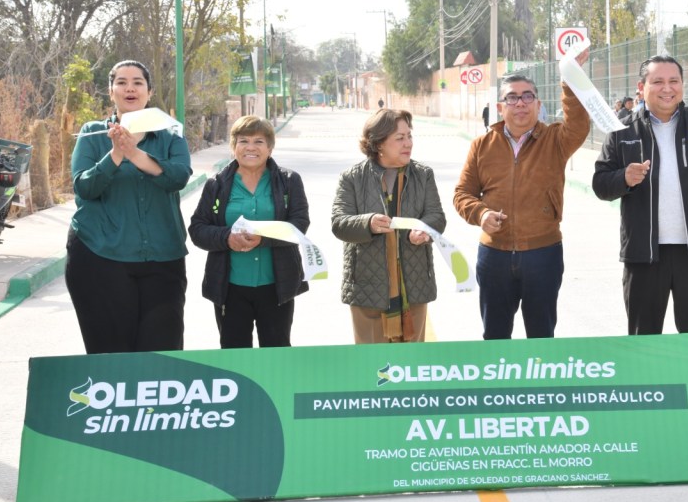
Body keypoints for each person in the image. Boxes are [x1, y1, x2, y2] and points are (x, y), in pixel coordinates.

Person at [592, 55, 688, 335]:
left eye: (674, 81)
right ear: (641, 87)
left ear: (682, 85)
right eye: (658, 81)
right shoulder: (622, 130)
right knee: (644, 340)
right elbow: (601, 184)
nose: (667, 88)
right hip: (644, 254)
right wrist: (624, 178)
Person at [454, 50, 591, 339]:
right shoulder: (482, 145)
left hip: (543, 254)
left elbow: (579, 125)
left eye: (528, 97)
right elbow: (463, 193)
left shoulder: (555, 140)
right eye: (512, 98)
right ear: (500, 107)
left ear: (538, 105)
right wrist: (481, 214)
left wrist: (569, 79)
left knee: (541, 337)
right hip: (494, 256)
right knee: (495, 337)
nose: (520, 103)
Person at [66, 60, 192, 354]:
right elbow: (85, 187)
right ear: (111, 91)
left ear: (149, 91)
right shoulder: (92, 133)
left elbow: (178, 177)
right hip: (99, 255)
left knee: (162, 351)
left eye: (138, 82)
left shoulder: (172, 134)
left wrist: (134, 153)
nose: (130, 88)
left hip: (162, 256)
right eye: (121, 82)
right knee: (109, 353)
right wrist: (116, 153)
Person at [188, 116, 310, 348]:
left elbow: (299, 224)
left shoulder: (289, 181)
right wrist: (227, 238)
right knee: (234, 354)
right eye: (243, 141)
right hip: (230, 287)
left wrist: (263, 239)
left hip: (277, 287)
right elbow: (198, 229)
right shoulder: (216, 184)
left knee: (276, 353)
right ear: (233, 146)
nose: (251, 147)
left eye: (259, 141)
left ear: (270, 148)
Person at [332, 109, 446, 343]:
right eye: (400, 138)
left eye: (409, 136)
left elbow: (436, 216)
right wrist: (368, 223)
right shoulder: (352, 178)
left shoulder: (423, 175)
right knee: (371, 361)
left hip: (414, 285)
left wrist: (425, 231)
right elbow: (339, 223)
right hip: (367, 286)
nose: (408, 143)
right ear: (378, 144)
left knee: (412, 360)